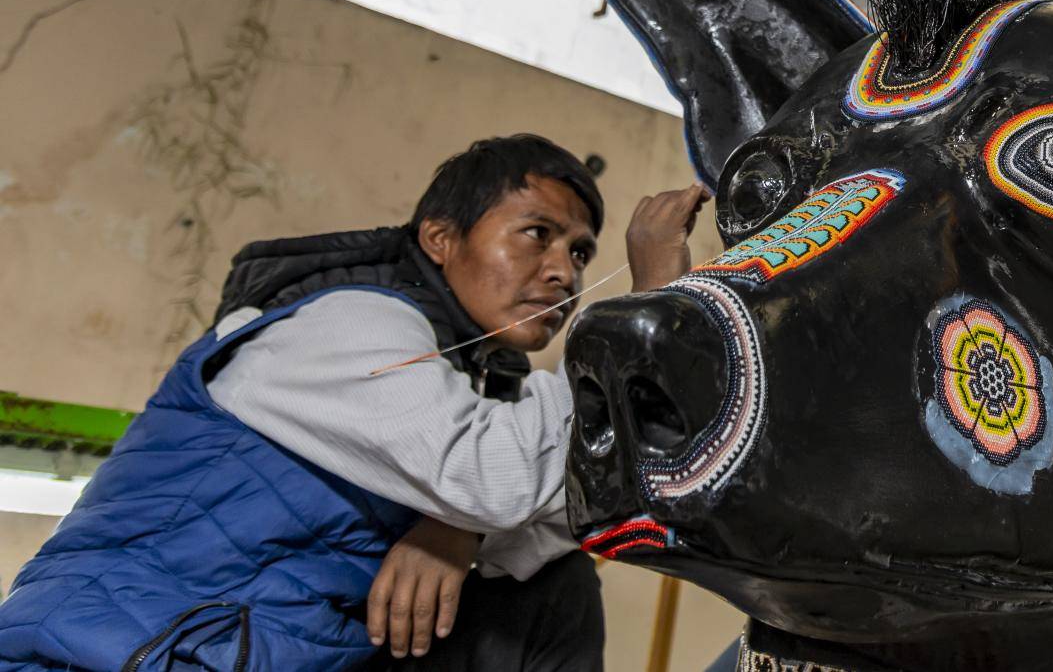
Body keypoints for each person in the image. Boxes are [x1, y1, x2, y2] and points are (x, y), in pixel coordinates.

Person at [0, 134, 709, 671]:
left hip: (238, 651)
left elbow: (563, 507)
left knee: (550, 583)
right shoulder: (347, 321)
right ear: (439, 237)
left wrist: (456, 532)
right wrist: (651, 311)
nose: (563, 270)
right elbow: (495, 478)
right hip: (98, 653)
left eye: (583, 254)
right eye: (537, 233)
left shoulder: (464, 385)